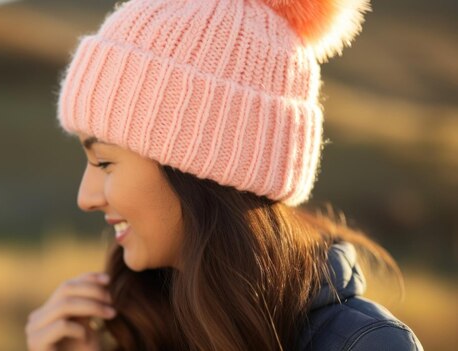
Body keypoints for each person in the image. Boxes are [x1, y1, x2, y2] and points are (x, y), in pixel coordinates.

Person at [26, 0, 424, 350]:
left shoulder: (367, 345)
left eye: (104, 162)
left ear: (199, 170)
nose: (86, 197)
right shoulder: (141, 328)